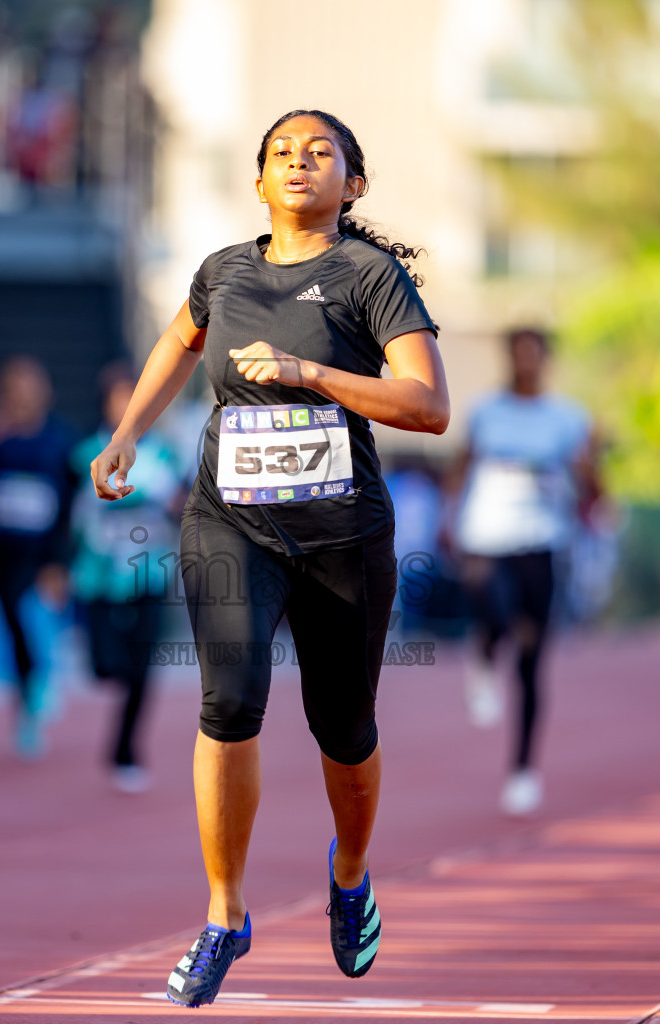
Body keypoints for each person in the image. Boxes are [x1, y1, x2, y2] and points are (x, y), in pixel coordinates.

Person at [88, 110, 449, 1006]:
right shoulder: (225, 271)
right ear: (258, 183)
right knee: (229, 701)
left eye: (319, 153)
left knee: (344, 727)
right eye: (281, 153)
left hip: (343, 535)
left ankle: (352, 871)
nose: (298, 163)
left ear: (352, 185)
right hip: (231, 524)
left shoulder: (371, 276)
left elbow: (428, 406)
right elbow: (179, 339)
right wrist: (129, 432)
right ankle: (224, 916)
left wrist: (312, 373)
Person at [450, 327, 601, 816]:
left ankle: (522, 770)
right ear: (509, 358)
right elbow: (461, 465)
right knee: (493, 610)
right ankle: (484, 656)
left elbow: (592, 486)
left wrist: (589, 465)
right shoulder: (487, 412)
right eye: (519, 355)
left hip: (542, 539)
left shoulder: (567, 418)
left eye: (535, 356)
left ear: (547, 360)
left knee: (533, 658)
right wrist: (447, 518)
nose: (527, 364)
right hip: (486, 535)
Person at [0, 357, 77, 758]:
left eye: (30, 384)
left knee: (35, 618)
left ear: (44, 391)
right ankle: (27, 709)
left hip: (42, 549)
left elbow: (71, 502)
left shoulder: (60, 438)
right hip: (2, 545)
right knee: (10, 628)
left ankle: (44, 680)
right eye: (15, 385)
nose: (23, 393)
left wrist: (60, 560)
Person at [68, 363, 182, 794]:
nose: (126, 408)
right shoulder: (83, 456)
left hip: (149, 573)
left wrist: (177, 504)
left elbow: (184, 503)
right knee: (104, 666)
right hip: (97, 575)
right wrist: (58, 565)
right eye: (118, 399)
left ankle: (126, 749)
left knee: (143, 667)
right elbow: (68, 516)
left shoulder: (165, 456)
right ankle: (112, 680)